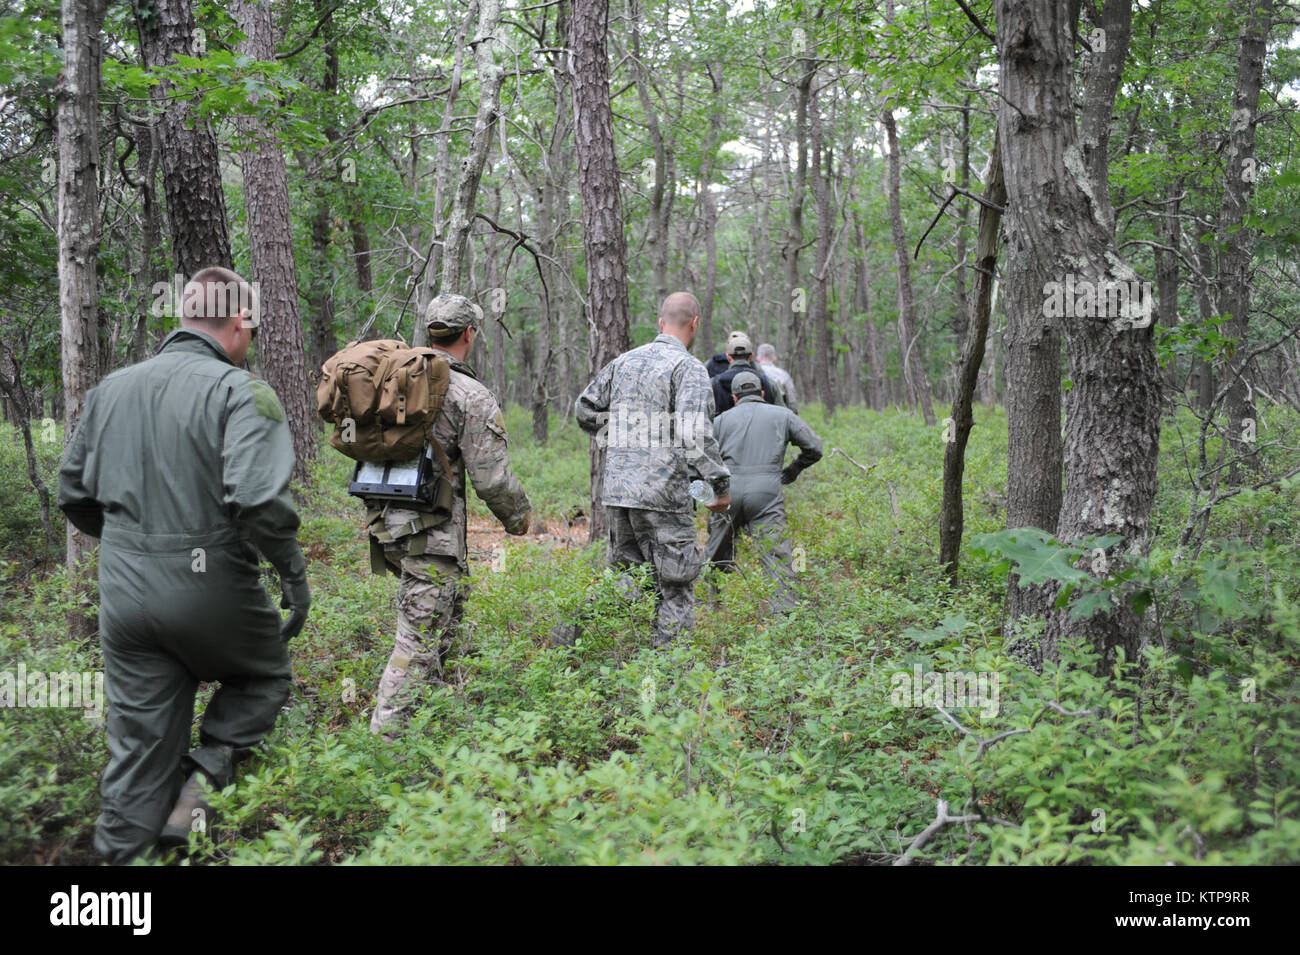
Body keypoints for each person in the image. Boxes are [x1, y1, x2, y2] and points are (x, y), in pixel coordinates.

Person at [58, 266, 310, 864]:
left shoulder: (110, 389)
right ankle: (201, 785)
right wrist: (293, 579)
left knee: (140, 749)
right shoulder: (243, 391)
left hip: (122, 594)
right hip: (210, 581)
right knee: (263, 676)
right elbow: (260, 501)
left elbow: (72, 493)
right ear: (240, 322)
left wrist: (132, 545)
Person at [364, 293, 531, 738]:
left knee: (444, 623)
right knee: (417, 642)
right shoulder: (469, 393)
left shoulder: (395, 380)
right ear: (469, 334)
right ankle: (386, 743)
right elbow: (492, 478)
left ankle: (431, 730)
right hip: (430, 536)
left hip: (388, 526)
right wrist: (519, 518)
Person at [566, 291, 732, 648]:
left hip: (619, 493)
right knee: (676, 584)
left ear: (660, 323)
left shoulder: (623, 361)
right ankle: (670, 678)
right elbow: (694, 432)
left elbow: (583, 408)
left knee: (625, 579)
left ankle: (569, 637)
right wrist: (718, 486)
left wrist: (622, 429)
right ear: (695, 324)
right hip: (664, 495)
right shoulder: (687, 367)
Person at [705, 372, 822, 613]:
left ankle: (715, 607)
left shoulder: (720, 420)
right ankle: (785, 617)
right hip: (767, 492)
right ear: (761, 394)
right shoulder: (783, 415)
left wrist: (708, 493)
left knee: (717, 550)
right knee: (778, 555)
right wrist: (792, 471)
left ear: (735, 397)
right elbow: (815, 447)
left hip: (728, 491)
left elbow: (701, 459)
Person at [710, 331, 783, 415]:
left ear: (728, 357)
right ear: (751, 356)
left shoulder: (713, 384)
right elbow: (782, 415)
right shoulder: (769, 383)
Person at [757, 342, 799, 415]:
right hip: (780, 415)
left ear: (757, 358)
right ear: (774, 359)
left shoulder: (752, 373)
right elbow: (792, 401)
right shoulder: (783, 375)